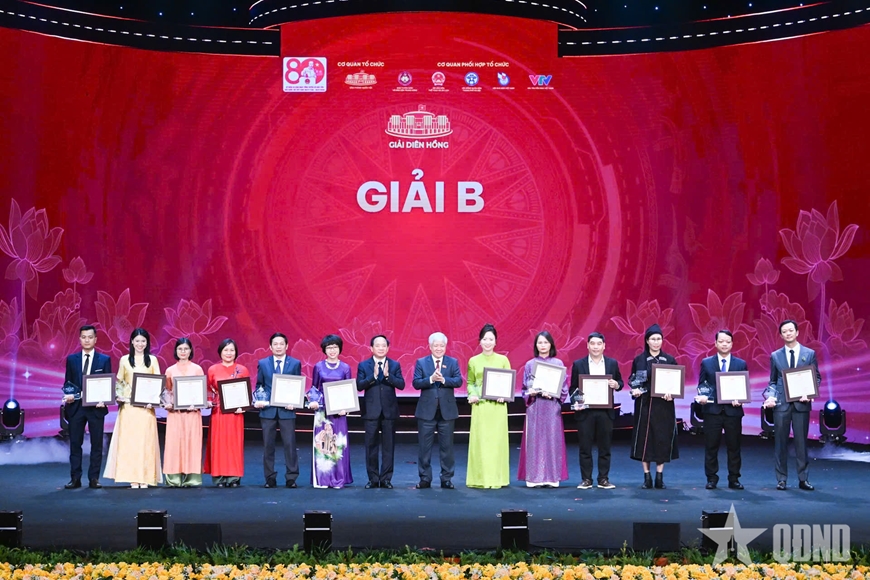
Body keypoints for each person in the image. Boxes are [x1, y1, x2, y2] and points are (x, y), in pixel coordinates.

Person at [763, 319, 821, 491]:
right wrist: (770, 396)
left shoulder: (809, 353)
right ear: (781, 335)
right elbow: (773, 381)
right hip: (781, 405)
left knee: (801, 443)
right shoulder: (775, 355)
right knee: (780, 442)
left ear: (797, 332)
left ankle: (803, 479)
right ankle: (781, 479)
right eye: (784, 331)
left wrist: (809, 393)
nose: (788, 333)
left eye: (790, 330)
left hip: (801, 404)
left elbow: (816, 377)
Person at [104, 328, 162, 488]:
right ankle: (133, 478)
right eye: (137, 341)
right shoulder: (124, 360)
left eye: (143, 341)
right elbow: (120, 382)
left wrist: (153, 400)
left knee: (146, 442)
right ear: (131, 342)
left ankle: (146, 477)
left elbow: (157, 382)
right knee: (130, 443)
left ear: (147, 343)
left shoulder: (152, 360)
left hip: (146, 408)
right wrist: (119, 396)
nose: (140, 344)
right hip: (129, 407)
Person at [570, 331, 623, 490]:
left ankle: (603, 479)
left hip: (605, 412)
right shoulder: (578, 364)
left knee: (605, 447)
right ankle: (586, 479)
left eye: (599, 344)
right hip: (585, 412)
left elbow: (620, 382)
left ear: (604, 346)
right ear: (587, 345)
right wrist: (577, 401)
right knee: (585, 447)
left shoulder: (612, 363)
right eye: (592, 343)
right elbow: (573, 388)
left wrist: (616, 385)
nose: (595, 347)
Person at [629, 324, 679, 489]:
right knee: (645, 440)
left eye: (659, 339)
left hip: (664, 406)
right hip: (644, 405)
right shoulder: (639, 360)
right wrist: (635, 390)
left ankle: (659, 476)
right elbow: (633, 380)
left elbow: (676, 382)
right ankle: (647, 477)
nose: (656, 342)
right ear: (647, 341)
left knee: (661, 439)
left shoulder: (669, 360)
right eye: (653, 339)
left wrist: (672, 393)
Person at [63, 324, 112, 489]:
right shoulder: (72, 359)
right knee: (75, 444)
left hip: (96, 408)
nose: (87, 340)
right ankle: (75, 478)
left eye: (90, 337)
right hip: (76, 408)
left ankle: (94, 478)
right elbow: (68, 383)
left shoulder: (104, 360)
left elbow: (107, 384)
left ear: (95, 339)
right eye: (84, 337)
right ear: (79, 339)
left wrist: (104, 399)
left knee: (96, 444)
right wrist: (68, 395)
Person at [696, 329, 747, 490]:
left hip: (733, 412)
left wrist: (740, 399)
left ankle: (734, 478)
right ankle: (711, 478)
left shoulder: (740, 364)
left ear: (732, 344)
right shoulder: (706, 363)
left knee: (734, 447)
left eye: (727, 342)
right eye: (721, 341)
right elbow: (702, 384)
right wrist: (702, 396)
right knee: (711, 446)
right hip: (712, 411)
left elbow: (743, 387)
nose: (724, 344)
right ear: (715, 343)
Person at [412, 331, 463, 489]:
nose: (439, 348)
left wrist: (444, 380)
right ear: (430, 346)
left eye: (442, 345)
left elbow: (458, 381)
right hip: (426, 411)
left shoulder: (452, 362)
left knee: (447, 448)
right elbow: (416, 383)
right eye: (436, 345)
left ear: (445, 346)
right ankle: (425, 478)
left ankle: (446, 478)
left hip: (447, 411)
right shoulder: (421, 362)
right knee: (424, 448)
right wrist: (431, 379)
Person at [518, 331, 569, 488]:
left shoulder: (558, 363)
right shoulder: (530, 365)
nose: (543, 345)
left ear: (551, 344)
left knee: (552, 440)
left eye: (546, 342)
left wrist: (554, 394)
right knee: (535, 441)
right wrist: (531, 393)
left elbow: (564, 388)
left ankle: (552, 478)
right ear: (536, 345)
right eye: (540, 342)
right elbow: (524, 388)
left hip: (552, 406)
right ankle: (533, 478)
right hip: (535, 406)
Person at [466, 323, 512, 489]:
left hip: (498, 408)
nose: (487, 342)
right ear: (480, 341)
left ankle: (497, 478)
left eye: (491, 339)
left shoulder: (503, 360)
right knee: (481, 442)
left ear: (496, 341)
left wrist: (503, 395)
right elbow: (470, 382)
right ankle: (480, 478)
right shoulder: (473, 361)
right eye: (485, 339)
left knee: (497, 443)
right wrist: (472, 394)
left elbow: (508, 383)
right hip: (480, 406)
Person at [356, 335, 405, 488]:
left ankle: (386, 479)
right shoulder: (363, 365)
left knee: (388, 447)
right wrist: (374, 376)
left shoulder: (394, 364)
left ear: (388, 348)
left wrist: (388, 376)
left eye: (384, 345)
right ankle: (373, 478)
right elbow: (359, 385)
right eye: (377, 345)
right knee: (371, 446)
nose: (381, 348)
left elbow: (401, 384)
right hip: (371, 411)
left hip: (389, 411)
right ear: (371, 348)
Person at [254, 332, 301, 488]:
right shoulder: (263, 363)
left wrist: (294, 402)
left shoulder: (295, 363)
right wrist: (259, 399)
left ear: (287, 346)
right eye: (275, 344)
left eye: (281, 344)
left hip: (287, 410)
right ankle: (270, 478)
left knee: (290, 444)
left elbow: (297, 385)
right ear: (270, 346)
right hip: (268, 410)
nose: (278, 347)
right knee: (268, 445)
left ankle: (291, 477)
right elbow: (259, 385)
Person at [307, 334, 353, 489]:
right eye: (329, 347)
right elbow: (314, 388)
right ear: (324, 350)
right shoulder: (318, 367)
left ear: (340, 349)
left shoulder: (345, 367)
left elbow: (348, 390)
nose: (332, 350)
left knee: (338, 444)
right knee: (323, 444)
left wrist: (346, 408)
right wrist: (313, 401)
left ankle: (339, 479)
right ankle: (323, 479)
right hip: (322, 412)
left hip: (339, 412)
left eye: (335, 347)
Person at [203, 338, 250, 488]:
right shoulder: (213, 369)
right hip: (218, 412)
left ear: (236, 352)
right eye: (226, 350)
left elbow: (246, 392)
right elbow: (208, 390)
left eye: (232, 350)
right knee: (219, 444)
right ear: (220, 352)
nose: (229, 353)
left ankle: (234, 477)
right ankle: (219, 478)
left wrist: (244, 406)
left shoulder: (242, 369)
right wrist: (208, 401)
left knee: (234, 445)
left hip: (236, 413)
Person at [161, 338, 205, 487]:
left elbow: (200, 392)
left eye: (186, 348)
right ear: (176, 351)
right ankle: (174, 478)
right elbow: (167, 392)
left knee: (192, 443)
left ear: (191, 350)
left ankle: (192, 478)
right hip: (175, 414)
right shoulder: (170, 370)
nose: (183, 351)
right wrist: (167, 403)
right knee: (174, 444)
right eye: (180, 349)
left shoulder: (197, 369)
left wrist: (197, 403)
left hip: (192, 413)